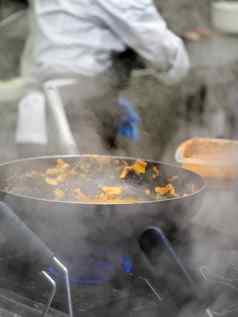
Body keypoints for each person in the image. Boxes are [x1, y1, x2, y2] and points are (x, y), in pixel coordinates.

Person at [16, 0, 190, 157]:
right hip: (76, 118)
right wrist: (177, 68)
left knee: (33, 187)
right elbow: (161, 49)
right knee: (87, 187)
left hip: (34, 119)